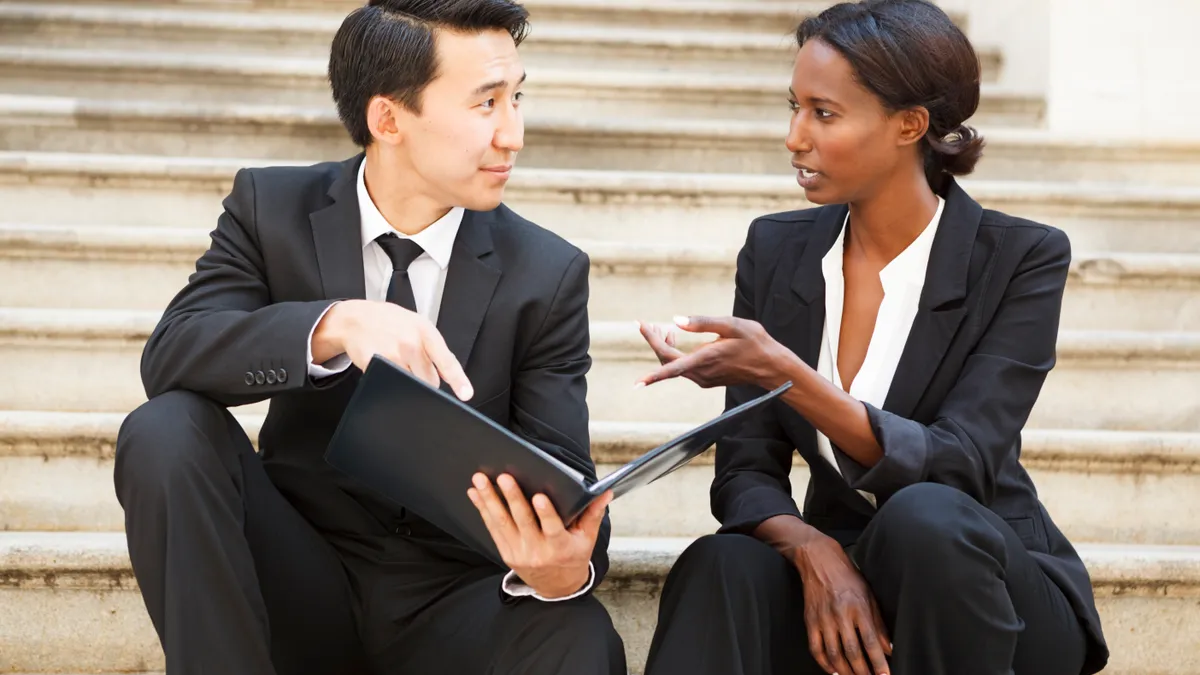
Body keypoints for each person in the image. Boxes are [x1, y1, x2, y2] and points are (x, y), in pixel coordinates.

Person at [113, 1, 625, 673]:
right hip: (299, 574)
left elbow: (566, 472)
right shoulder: (271, 209)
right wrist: (334, 324)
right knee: (164, 428)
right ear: (389, 118)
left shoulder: (548, 272)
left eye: (517, 98)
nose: (514, 133)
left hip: (457, 599)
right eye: (486, 104)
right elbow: (175, 351)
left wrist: (565, 563)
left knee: (580, 634)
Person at [635, 2, 1109, 674]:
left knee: (925, 518)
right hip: (843, 588)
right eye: (793, 107)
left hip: (989, 587)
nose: (795, 136)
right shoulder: (776, 250)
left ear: (910, 125)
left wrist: (786, 373)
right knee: (722, 560)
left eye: (823, 113)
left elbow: (958, 462)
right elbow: (745, 472)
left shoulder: (1020, 257)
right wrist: (811, 548)